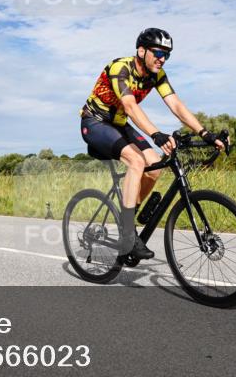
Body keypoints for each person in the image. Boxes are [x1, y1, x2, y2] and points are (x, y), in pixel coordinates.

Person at [79, 28, 225, 261]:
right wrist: (156, 134)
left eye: (167, 54)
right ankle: (127, 234)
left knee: (156, 165)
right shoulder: (121, 68)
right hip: (95, 122)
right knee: (136, 161)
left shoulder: (157, 75)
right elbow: (130, 106)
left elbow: (176, 105)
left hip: (119, 124)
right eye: (158, 52)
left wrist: (205, 132)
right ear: (141, 50)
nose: (162, 58)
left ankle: (128, 215)